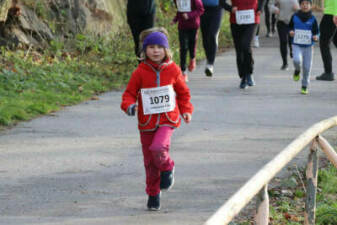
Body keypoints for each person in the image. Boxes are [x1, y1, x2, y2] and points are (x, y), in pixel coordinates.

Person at [121, 28, 194, 211]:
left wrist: (186, 110)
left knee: (158, 148)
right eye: (151, 47)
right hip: (146, 123)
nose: (155, 51)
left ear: (166, 50)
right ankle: (153, 194)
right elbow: (129, 94)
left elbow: (183, 93)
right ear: (144, 50)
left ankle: (168, 167)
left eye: (159, 47)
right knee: (150, 162)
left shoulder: (173, 70)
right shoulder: (140, 72)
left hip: (167, 119)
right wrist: (130, 106)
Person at [220, 0, 266, 89]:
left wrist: (260, 8)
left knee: (246, 45)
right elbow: (221, 2)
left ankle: (248, 74)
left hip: (252, 19)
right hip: (236, 21)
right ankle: (243, 76)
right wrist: (230, 8)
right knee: (239, 50)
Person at [289, 0, 319, 94]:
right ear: (300, 5)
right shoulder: (294, 16)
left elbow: (316, 32)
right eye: (303, 4)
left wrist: (316, 37)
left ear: (310, 6)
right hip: (296, 44)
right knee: (296, 60)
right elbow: (289, 27)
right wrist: (290, 32)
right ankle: (297, 70)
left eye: (307, 4)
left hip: (308, 46)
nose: (305, 6)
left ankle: (304, 85)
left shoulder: (313, 18)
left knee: (307, 67)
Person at [172, 0, 204, 82]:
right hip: (182, 26)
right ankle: (183, 72)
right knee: (183, 47)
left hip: (193, 25)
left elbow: (201, 10)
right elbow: (180, 11)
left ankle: (192, 58)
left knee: (192, 44)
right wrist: (175, 20)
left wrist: (189, 15)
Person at [269, 0, 299, 70]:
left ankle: (292, 50)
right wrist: (274, 9)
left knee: (292, 41)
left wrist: (298, 8)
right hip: (281, 21)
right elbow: (270, 5)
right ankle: (285, 63)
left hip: (293, 21)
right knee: (283, 41)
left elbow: (305, 5)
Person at [200, 0, 224, 77]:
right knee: (205, 37)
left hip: (216, 9)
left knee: (212, 34)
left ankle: (210, 63)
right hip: (202, 8)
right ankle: (208, 58)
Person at [316, 0, 337, 81]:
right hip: (332, 13)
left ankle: (328, 72)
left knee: (324, 43)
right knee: (335, 40)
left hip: (331, 14)